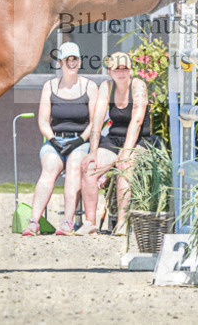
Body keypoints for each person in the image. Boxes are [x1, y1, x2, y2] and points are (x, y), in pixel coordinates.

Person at [22, 41, 99, 236]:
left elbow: (94, 122)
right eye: (67, 60)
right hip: (55, 139)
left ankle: (67, 222)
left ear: (79, 62)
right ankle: (34, 221)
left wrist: (80, 140)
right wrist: (53, 140)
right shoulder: (50, 86)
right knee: (49, 168)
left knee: (74, 168)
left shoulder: (89, 86)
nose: (70, 63)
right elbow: (43, 120)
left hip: (79, 141)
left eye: (74, 59)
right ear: (60, 63)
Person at [78, 51, 154, 235]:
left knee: (125, 168)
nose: (121, 73)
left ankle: (122, 222)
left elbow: (136, 122)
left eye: (125, 68)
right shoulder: (106, 86)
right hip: (114, 138)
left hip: (139, 140)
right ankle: (90, 222)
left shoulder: (138, 86)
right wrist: (93, 152)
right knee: (89, 169)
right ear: (110, 71)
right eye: (117, 69)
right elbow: (97, 119)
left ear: (131, 70)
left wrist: (126, 152)